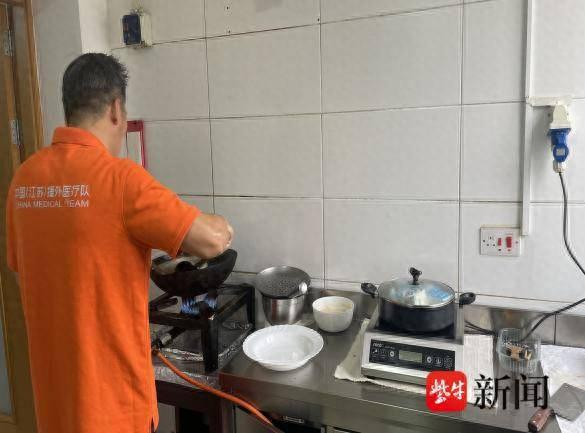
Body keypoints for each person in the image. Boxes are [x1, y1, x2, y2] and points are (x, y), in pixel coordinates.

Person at [5, 53, 233, 433]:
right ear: (115, 109)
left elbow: (21, 273)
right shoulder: (121, 179)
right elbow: (211, 242)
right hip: (115, 409)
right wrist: (223, 225)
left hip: (55, 406)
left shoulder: (24, 180)